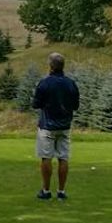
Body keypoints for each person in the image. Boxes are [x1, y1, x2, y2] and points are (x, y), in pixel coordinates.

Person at [32, 52, 80, 201]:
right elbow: (76, 106)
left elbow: (35, 104)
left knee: (46, 158)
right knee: (63, 158)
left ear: (50, 66)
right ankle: (61, 191)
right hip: (65, 126)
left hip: (47, 126)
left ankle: (46, 191)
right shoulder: (71, 83)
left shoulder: (44, 83)